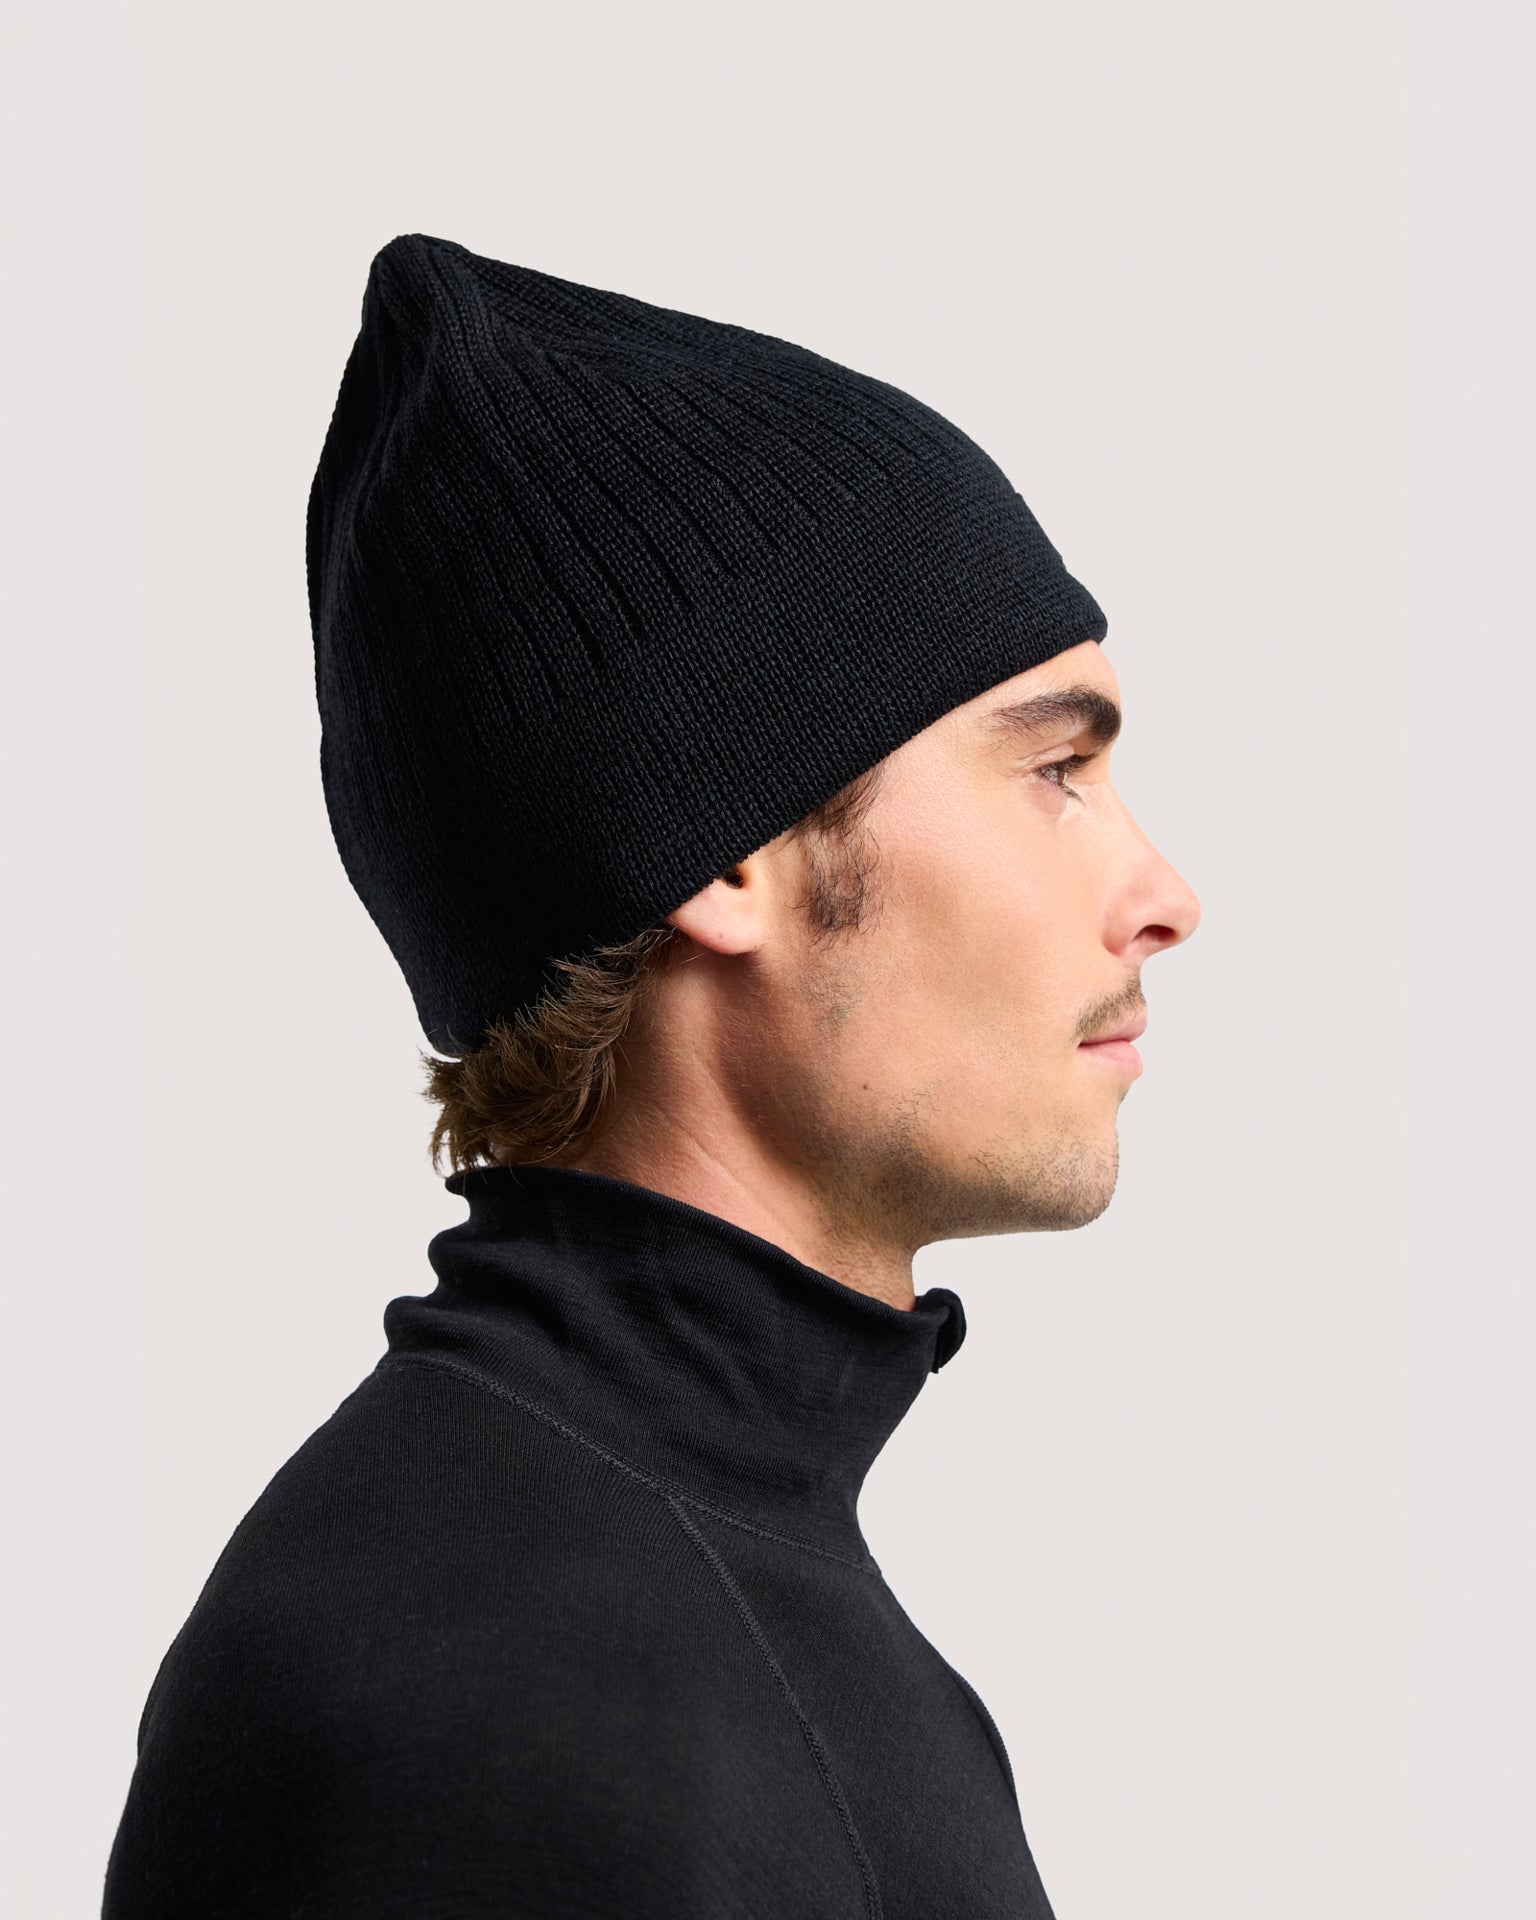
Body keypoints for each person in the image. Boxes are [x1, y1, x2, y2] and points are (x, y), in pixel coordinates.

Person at [102, 232, 1200, 1919]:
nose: (1164, 895)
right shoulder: (494, 1706)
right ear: (726, 849)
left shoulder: (698, 1612)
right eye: (1054, 768)